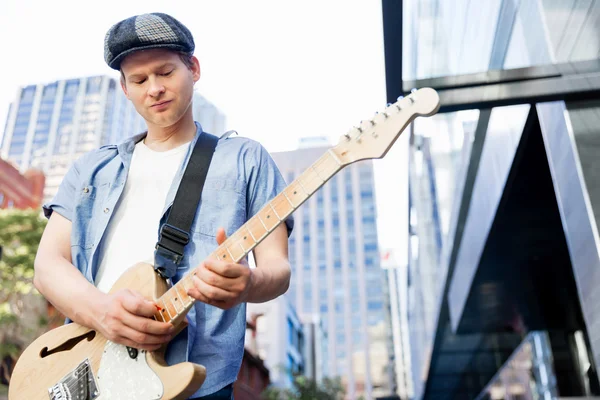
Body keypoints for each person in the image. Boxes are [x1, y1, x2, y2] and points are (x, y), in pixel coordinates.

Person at [33, 12, 293, 400]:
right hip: (90, 370)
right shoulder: (90, 168)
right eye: (139, 80)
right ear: (125, 89)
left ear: (194, 69)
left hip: (196, 380)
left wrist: (248, 283)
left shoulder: (245, 159)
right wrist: (103, 311)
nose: (154, 88)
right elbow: (47, 265)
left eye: (166, 72)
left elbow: (278, 268)